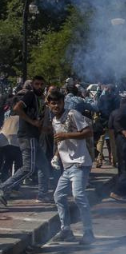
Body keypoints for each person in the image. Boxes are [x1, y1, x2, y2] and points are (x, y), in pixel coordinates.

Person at [46, 90, 95, 245]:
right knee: (58, 196)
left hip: (80, 163)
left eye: (58, 102)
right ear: (48, 104)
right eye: (52, 103)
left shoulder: (72, 114)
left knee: (79, 196)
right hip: (67, 166)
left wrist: (66, 135)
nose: (56, 105)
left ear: (63, 102)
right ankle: (66, 230)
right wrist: (56, 156)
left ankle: (88, 232)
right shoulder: (54, 121)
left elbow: (88, 132)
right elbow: (60, 141)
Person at [0, 76, 51, 205]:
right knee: (29, 167)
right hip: (27, 136)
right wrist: (32, 122)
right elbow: (17, 108)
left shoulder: (39, 100)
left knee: (44, 166)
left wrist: (44, 127)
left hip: (33, 137)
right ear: (33, 85)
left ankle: (42, 194)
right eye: (37, 84)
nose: (39, 86)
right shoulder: (30, 95)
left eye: (41, 84)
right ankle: (4, 187)